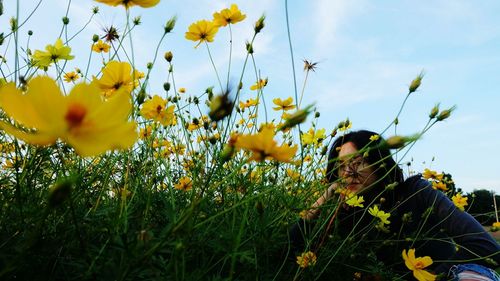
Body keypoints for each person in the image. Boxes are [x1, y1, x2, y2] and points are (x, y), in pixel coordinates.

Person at [289, 130, 500, 280]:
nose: (348, 173)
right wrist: (324, 198)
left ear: (378, 163)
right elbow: (291, 252)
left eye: (357, 162)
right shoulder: (343, 212)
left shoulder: (416, 192)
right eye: (341, 166)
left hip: (454, 274)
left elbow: (487, 248)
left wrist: (431, 277)